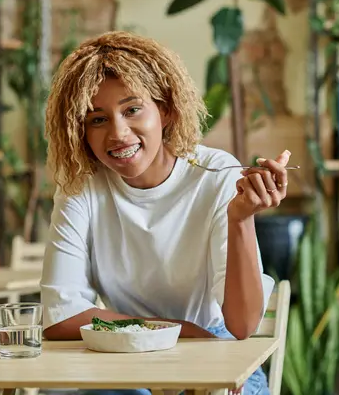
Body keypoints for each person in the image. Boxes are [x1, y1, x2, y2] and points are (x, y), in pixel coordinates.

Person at [41, 31, 292, 395]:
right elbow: (59, 316)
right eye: (97, 120)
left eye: (132, 109)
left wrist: (240, 219)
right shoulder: (81, 187)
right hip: (125, 358)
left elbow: (242, 325)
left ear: (166, 108)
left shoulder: (216, 174)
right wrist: (179, 330)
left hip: (213, 350)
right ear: (80, 131)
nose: (118, 133)